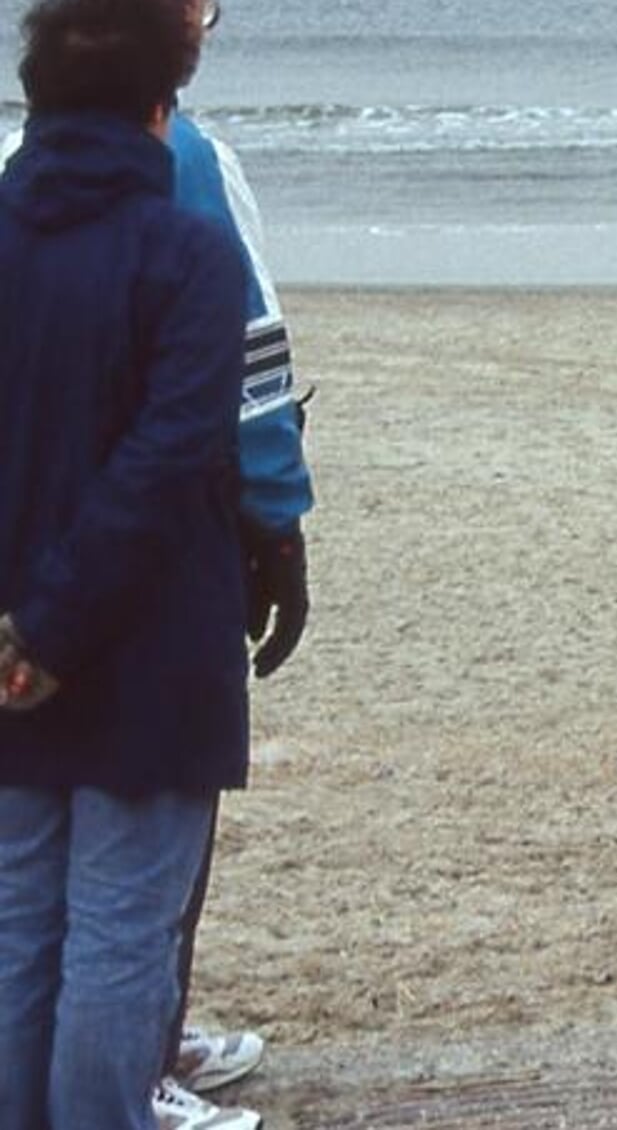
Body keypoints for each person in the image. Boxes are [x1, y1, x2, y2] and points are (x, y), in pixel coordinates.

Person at [0, 0, 252, 1126]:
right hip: (141, 634)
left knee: (18, 922)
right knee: (115, 932)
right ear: (163, 107)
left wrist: (30, 626)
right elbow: (169, 455)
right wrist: (52, 625)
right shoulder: (188, 253)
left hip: (12, 635)